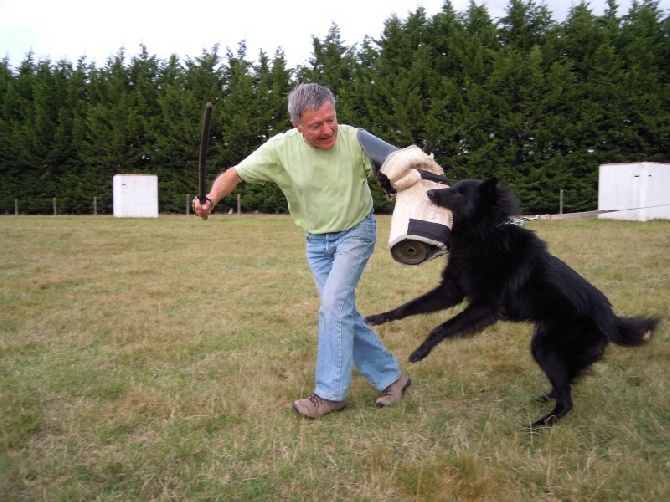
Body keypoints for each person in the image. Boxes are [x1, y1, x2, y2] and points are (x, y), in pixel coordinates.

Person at [193, 83, 410, 418]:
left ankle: (329, 394)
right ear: (296, 125)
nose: (327, 130)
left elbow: (399, 166)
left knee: (333, 307)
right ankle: (392, 377)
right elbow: (234, 174)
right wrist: (210, 200)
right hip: (316, 243)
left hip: (356, 231)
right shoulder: (280, 149)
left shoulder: (355, 139)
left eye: (330, 120)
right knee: (341, 312)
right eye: (315, 125)